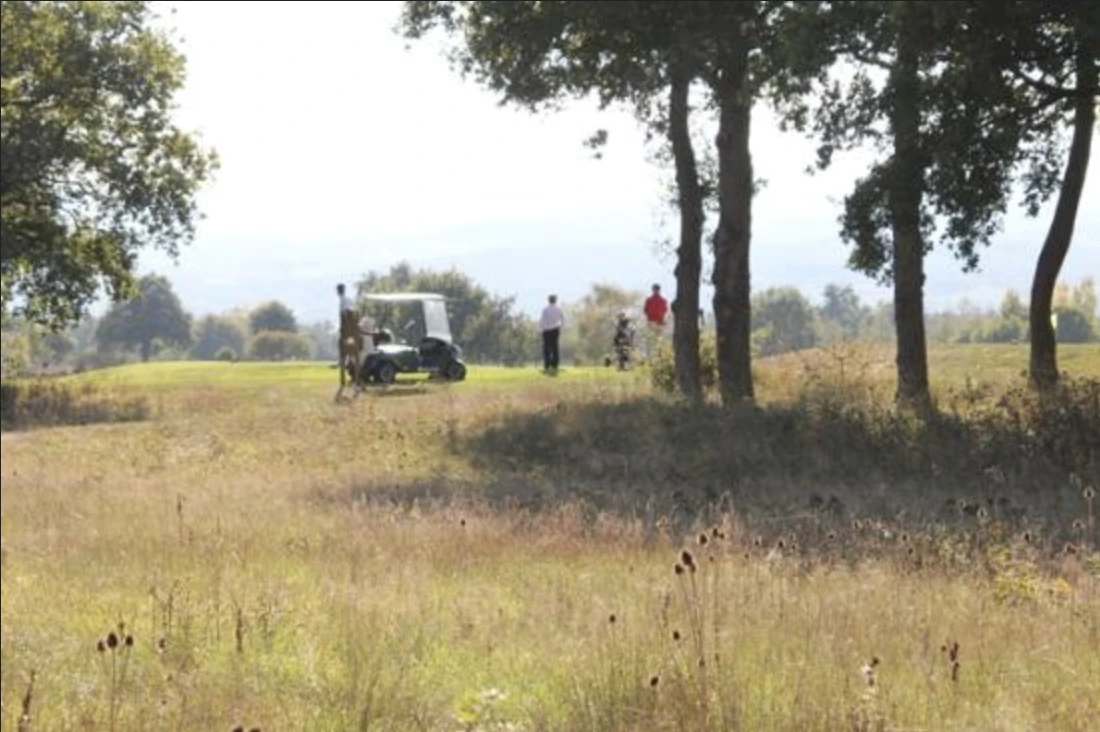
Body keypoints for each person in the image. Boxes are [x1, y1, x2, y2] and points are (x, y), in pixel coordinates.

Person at [642, 283, 669, 359]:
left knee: (657, 340)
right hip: (653, 322)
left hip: (658, 322)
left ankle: (658, 356)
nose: (655, 291)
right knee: (652, 340)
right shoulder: (650, 300)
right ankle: (651, 356)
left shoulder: (662, 300)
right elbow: (646, 310)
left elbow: (664, 311)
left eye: (655, 289)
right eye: (654, 289)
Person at [539, 294, 564, 372]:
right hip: (555, 330)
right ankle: (555, 365)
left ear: (549, 300)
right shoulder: (559, 309)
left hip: (546, 330)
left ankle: (547, 364)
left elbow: (542, 320)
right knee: (555, 347)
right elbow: (562, 319)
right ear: (555, 300)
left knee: (546, 348)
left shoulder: (545, 309)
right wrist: (560, 327)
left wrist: (541, 329)